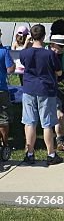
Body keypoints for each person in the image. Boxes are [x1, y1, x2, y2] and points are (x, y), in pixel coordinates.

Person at [20, 24, 63, 166]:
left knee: (30, 122)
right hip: (46, 89)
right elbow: (58, 72)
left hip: (29, 88)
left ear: (31, 36)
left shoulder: (25, 53)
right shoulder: (49, 54)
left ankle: (30, 153)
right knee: (47, 124)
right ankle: (51, 153)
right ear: (44, 36)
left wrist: (26, 44)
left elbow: (22, 61)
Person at [0, 29, 15, 161]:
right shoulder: (4, 52)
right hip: (1, 89)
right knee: (3, 118)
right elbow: (10, 70)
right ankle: (5, 145)